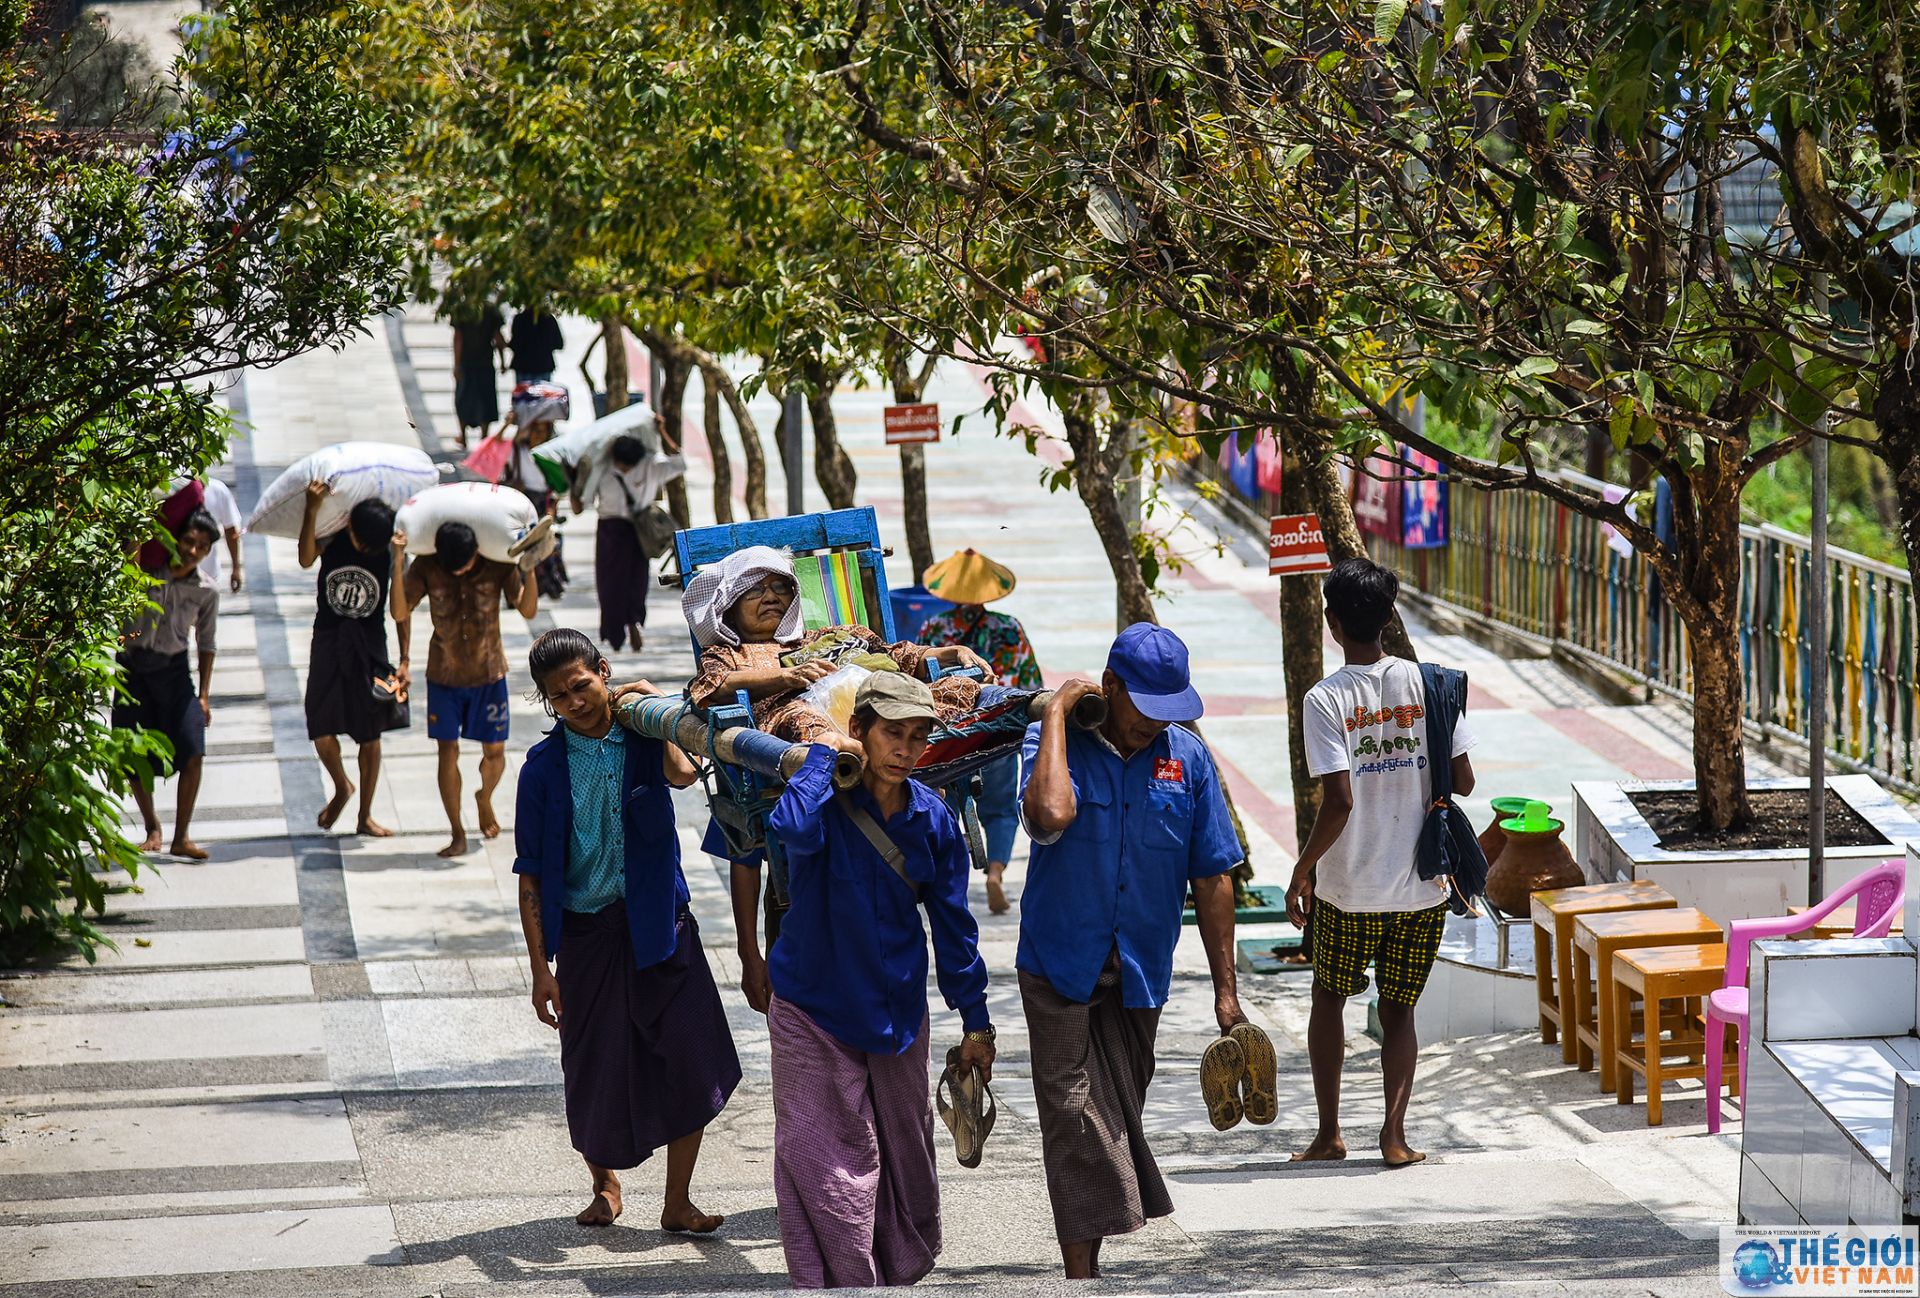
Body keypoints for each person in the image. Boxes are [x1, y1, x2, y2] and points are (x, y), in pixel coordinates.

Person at [1017, 623, 1259, 1279]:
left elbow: (1212, 878)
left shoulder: (1189, 761)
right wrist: (1060, 711)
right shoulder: (1050, 742)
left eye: (1168, 711)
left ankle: (1090, 1254)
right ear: (1112, 687)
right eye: (1145, 707)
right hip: (1057, 964)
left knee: (1117, 1113)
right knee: (1073, 1118)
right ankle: (1081, 1275)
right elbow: (1048, 818)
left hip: (1139, 975)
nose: (1156, 724)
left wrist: (1226, 990)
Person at [762, 672, 997, 1289]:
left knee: (903, 1150)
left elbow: (954, 928)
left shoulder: (934, 821)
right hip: (810, 1008)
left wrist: (977, 1021)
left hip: (895, 1013)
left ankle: (896, 1270)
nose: (904, 749)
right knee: (828, 1158)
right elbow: (787, 831)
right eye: (891, 734)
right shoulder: (822, 803)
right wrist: (823, 758)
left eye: (917, 738)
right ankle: (842, 1281)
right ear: (861, 731)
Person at [514, 628, 738, 1233]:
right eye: (559, 697)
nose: (576, 702)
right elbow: (531, 878)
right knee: (590, 1069)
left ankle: (678, 1201)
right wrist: (541, 969)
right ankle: (604, 1185)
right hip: (586, 936)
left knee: (692, 1060)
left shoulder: (642, 733)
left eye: (581, 685)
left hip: (660, 925)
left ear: (603, 671)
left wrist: (659, 709)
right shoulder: (540, 771)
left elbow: (686, 775)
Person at [1286, 557, 1476, 1168]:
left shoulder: (1326, 698)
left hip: (1348, 887)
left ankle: (1329, 1134)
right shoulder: (1432, 686)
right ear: (1389, 616)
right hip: (1423, 887)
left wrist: (1301, 869)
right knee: (1399, 1012)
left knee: (1328, 1000)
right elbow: (1465, 781)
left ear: (1332, 623)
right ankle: (1394, 1139)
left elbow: (1338, 801)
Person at [683, 547, 989, 758]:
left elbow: (898, 655)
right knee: (804, 720)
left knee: (960, 686)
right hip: (815, 732)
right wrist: (786, 677)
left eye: (781, 587)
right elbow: (712, 685)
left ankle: (913, 752)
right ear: (730, 608)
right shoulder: (729, 654)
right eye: (755, 590)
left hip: (888, 713)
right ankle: (867, 757)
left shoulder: (836, 634)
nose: (772, 596)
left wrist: (952, 651)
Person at [392, 519, 540, 857]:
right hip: (443, 674)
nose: (458, 573)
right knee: (448, 751)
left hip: (489, 673)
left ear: (476, 551)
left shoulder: (498, 564)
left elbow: (528, 609)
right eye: (452, 568)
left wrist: (529, 568)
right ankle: (457, 830)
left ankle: (484, 797)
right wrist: (398, 561)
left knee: (495, 753)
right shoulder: (427, 566)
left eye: (466, 566)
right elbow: (399, 610)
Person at [917, 548, 1043, 915]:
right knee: (1002, 810)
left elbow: (920, 679)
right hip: (998, 729)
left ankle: (949, 881)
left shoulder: (935, 629)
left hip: (952, 732)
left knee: (948, 806)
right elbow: (1029, 681)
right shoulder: (1008, 628)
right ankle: (996, 874)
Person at [299, 482, 406, 835]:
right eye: (361, 542)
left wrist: (405, 658)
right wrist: (312, 508)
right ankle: (342, 785)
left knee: (370, 733)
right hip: (329, 639)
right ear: (351, 527)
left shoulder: (388, 549)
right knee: (320, 724)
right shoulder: (333, 535)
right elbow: (304, 558)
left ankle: (365, 816)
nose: (365, 549)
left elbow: (400, 611)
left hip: (371, 644)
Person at [116, 509, 222, 860]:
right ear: (176, 539)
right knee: (132, 755)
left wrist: (205, 696)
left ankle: (182, 836)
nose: (194, 551)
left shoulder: (206, 591)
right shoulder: (146, 572)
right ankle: (151, 826)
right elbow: (127, 566)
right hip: (132, 669)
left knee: (194, 748)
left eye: (203, 547)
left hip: (175, 672)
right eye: (189, 541)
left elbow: (206, 644)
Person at [570, 433, 653, 653]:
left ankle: (633, 623)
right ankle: (614, 631)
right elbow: (581, 505)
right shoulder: (601, 469)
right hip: (609, 530)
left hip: (636, 529)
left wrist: (662, 432)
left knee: (638, 580)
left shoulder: (646, 465)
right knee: (610, 584)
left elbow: (677, 462)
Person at [452, 304, 507, 449]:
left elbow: (458, 339)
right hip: (485, 363)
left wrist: (457, 365)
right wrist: (503, 361)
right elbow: (498, 338)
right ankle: (484, 435)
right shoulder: (491, 311)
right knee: (486, 398)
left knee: (463, 398)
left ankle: (463, 435)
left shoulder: (462, 309)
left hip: (467, 363)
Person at [195, 475, 245, 594]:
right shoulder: (173, 490)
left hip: (209, 576)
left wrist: (236, 568)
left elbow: (231, 530)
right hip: (176, 577)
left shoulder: (218, 490)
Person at [510, 306, 565, 384]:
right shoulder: (549, 319)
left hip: (523, 366)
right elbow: (559, 344)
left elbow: (515, 345)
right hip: (544, 366)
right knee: (543, 395)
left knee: (524, 395)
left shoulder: (519, 319)